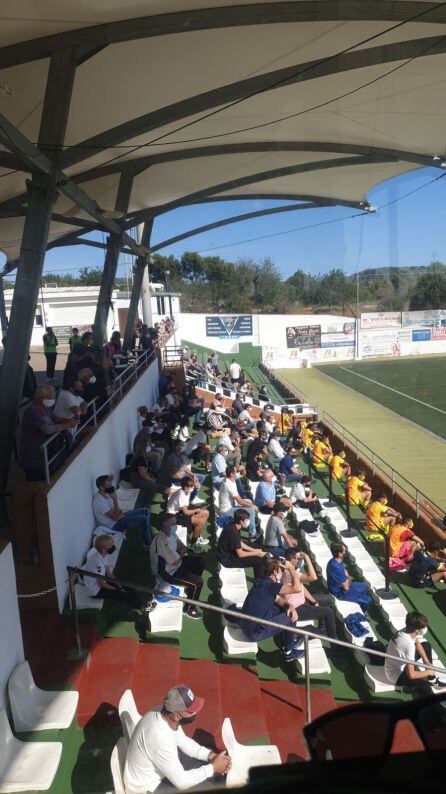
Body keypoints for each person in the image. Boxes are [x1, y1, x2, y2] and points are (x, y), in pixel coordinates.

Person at [124, 685, 231, 793]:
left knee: (203, 768)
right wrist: (213, 768)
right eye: (191, 711)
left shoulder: (163, 712)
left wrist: (211, 756)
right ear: (177, 716)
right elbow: (182, 783)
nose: (195, 713)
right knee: (205, 787)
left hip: (156, 767)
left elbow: (182, 741)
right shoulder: (161, 738)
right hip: (145, 786)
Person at [238, 557, 303, 663]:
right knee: (292, 617)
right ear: (274, 572)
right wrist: (291, 568)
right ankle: (289, 652)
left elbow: (277, 599)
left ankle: (288, 641)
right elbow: (297, 588)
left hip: (247, 624)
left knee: (283, 609)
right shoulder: (271, 586)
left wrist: (289, 605)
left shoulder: (261, 581)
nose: (281, 572)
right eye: (281, 570)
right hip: (254, 632)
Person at [18, 385, 78, 480]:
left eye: (53, 398)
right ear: (39, 398)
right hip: (33, 458)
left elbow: (56, 419)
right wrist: (67, 425)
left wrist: (69, 420)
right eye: (49, 398)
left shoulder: (45, 408)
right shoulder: (32, 411)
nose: (52, 400)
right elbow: (47, 429)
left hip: (44, 456)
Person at [150, 514, 205, 619]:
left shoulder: (171, 534)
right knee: (198, 582)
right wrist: (180, 554)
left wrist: (179, 554)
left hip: (175, 564)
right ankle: (189, 609)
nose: (176, 525)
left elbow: (182, 547)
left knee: (200, 561)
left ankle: (190, 588)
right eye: (174, 524)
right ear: (165, 525)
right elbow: (176, 561)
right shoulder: (161, 541)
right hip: (168, 572)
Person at [281, 548, 337, 639]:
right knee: (329, 612)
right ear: (292, 561)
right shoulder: (290, 573)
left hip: (301, 601)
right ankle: (334, 640)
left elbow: (302, 587)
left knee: (326, 600)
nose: (300, 560)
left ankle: (322, 629)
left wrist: (314, 602)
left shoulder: (290, 570)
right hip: (297, 608)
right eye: (299, 559)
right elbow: (313, 577)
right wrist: (307, 558)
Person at [84, 535, 150, 609]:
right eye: (111, 545)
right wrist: (117, 589)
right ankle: (141, 607)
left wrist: (119, 585)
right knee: (121, 595)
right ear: (104, 549)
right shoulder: (98, 562)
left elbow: (109, 574)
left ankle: (142, 601)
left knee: (126, 586)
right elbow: (101, 584)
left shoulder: (103, 556)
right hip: (95, 590)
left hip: (102, 581)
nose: (113, 546)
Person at [385, 612, 442, 695]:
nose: (424, 629)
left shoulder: (406, 630)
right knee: (426, 687)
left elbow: (417, 643)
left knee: (426, 646)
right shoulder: (409, 645)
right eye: (423, 628)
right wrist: (429, 672)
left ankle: (432, 679)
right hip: (396, 675)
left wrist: (427, 662)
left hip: (398, 663)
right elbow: (411, 675)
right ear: (417, 630)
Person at [92, 475, 152, 549]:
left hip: (118, 518)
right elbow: (115, 518)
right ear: (101, 487)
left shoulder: (107, 494)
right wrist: (115, 500)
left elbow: (117, 511)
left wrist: (121, 514)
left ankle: (145, 533)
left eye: (111, 484)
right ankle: (148, 544)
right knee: (144, 519)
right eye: (108, 485)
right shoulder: (99, 502)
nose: (111, 486)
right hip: (114, 526)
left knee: (145, 511)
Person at [217, 508, 265, 578]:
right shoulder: (233, 532)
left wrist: (253, 550)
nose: (249, 521)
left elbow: (239, 542)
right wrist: (256, 553)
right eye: (247, 520)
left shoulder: (234, 525)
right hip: (227, 559)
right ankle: (260, 583)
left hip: (229, 551)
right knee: (258, 560)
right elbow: (240, 554)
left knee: (257, 546)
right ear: (241, 521)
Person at [166, 477, 209, 551]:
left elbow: (186, 507)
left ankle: (197, 535)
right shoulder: (181, 495)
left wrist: (197, 510)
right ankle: (193, 543)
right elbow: (186, 512)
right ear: (186, 487)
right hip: (172, 517)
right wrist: (196, 510)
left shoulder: (186, 491)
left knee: (206, 512)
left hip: (180, 511)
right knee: (200, 522)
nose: (193, 487)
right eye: (192, 486)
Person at [326, 543, 372, 610]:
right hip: (340, 593)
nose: (345, 552)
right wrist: (347, 578)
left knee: (364, 586)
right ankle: (361, 611)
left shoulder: (334, 560)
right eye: (344, 551)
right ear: (340, 554)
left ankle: (358, 602)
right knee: (368, 600)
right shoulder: (337, 568)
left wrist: (346, 574)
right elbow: (346, 587)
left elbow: (343, 570)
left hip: (341, 586)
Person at [218, 465, 258, 540]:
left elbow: (243, 473)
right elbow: (240, 501)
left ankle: (247, 523)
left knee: (248, 501)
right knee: (252, 510)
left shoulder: (230, 478)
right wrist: (253, 506)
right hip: (227, 511)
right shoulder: (229, 485)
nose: (237, 471)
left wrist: (242, 467)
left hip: (231, 506)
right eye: (236, 471)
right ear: (232, 474)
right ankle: (252, 534)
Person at [167, 440, 205, 504]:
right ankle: (191, 499)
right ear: (176, 447)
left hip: (183, 476)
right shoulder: (173, 458)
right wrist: (189, 480)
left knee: (201, 477)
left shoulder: (180, 454)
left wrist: (193, 475)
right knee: (194, 483)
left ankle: (193, 495)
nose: (182, 446)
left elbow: (184, 467)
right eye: (181, 445)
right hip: (176, 480)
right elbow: (176, 474)